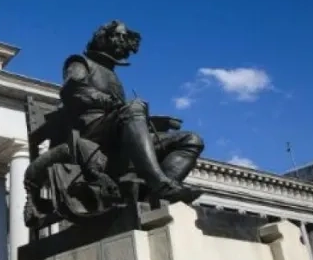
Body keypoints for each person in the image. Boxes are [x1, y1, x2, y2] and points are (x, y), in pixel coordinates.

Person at [59, 20, 205, 203]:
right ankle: (159, 182)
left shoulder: (112, 74)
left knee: (191, 140)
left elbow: (125, 116)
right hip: (92, 131)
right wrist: (105, 99)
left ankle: (156, 194)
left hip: (117, 131)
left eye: (124, 37)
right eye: (118, 35)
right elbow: (72, 90)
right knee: (134, 106)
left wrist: (157, 122)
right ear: (104, 38)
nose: (122, 40)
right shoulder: (80, 63)